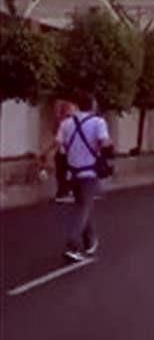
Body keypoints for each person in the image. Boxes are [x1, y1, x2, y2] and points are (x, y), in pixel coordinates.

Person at [56, 91, 112, 262]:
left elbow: (59, 144)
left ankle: (90, 241)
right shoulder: (98, 122)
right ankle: (72, 245)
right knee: (83, 207)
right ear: (93, 104)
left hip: (72, 173)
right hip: (89, 173)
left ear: (78, 105)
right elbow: (105, 144)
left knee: (82, 205)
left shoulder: (66, 123)